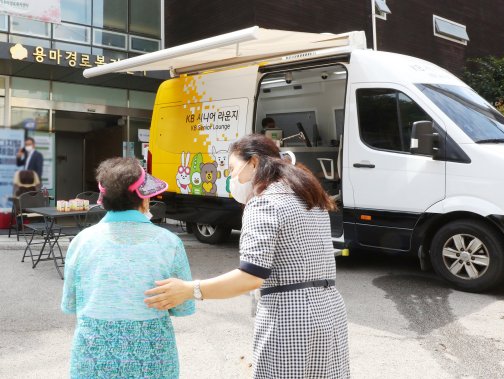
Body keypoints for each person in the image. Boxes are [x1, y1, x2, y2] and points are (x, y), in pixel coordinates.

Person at [144, 134, 350, 378]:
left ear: (253, 163)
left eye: (233, 170)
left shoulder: (264, 204)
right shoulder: (310, 198)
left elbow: (251, 276)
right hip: (330, 312)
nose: (232, 179)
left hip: (290, 319)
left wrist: (190, 289)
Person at [61, 157, 195, 379]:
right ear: (144, 200)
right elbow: (182, 307)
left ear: (103, 199)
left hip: (93, 358)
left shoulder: (81, 241)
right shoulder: (168, 242)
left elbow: (71, 303)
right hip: (153, 359)